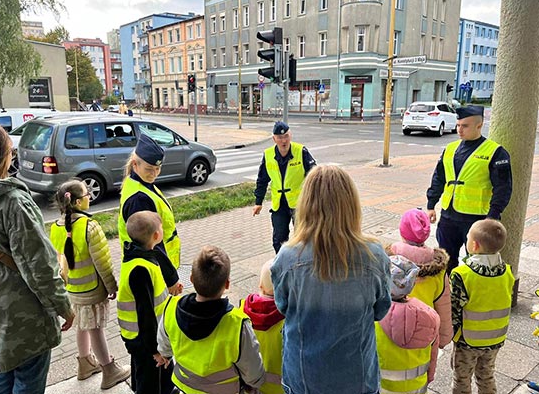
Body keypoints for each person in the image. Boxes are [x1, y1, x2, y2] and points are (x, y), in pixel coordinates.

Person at [0, 124, 74, 394]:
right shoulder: (13, 202)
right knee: (28, 381)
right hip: (22, 317)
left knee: (0, 375)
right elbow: (39, 267)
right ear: (2, 155)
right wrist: (64, 307)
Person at [271, 165, 392, 393]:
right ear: (351, 205)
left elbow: (283, 307)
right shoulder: (374, 256)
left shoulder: (287, 258)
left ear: (305, 205)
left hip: (304, 377)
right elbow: (380, 310)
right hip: (357, 378)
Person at [50, 179, 130, 389]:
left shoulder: (55, 228)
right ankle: (109, 370)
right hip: (93, 290)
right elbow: (102, 263)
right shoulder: (90, 226)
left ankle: (85, 364)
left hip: (73, 290)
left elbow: (59, 260)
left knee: (83, 326)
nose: (89, 197)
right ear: (76, 202)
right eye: (86, 195)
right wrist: (112, 287)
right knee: (96, 329)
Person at [156, 245, 265, 393]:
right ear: (227, 284)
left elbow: (163, 346)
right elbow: (253, 372)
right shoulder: (237, 324)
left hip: (186, 389)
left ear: (191, 279)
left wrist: (166, 355)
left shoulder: (171, 307)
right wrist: (255, 384)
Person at [426, 105, 512, 272]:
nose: (459, 130)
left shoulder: (496, 152)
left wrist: (492, 216)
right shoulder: (450, 149)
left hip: (476, 219)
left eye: (465, 126)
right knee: (445, 261)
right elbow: (439, 178)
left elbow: (503, 188)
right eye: (458, 125)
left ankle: (471, 295)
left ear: (479, 125)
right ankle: (447, 294)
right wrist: (431, 205)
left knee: (476, 264)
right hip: (448, 217)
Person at [450, 219, 514, 394]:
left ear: (474, 245)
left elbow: (454, 310)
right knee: (486, 376)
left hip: (468, 340)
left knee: (462, 379)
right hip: (495, 338)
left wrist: (450, 333)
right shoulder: (508, 271)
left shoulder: (462, 274)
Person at [118, 133, 183, 294]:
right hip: (153, 268)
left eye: (158, 168)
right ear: (135, 164)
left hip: (154, 266)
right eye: (149, 169)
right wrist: (171, 279)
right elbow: (151, 244)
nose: (154, 173)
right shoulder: (139, 198)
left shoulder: (142, 183)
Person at [118, 211, 174, 394]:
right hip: (144, 339)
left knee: (152, 372)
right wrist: (155, 350)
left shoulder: (140, 255)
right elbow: (145, 313)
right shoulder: (140, 270)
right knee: (148, 380)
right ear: (156, 235)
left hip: (148, 336)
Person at [390, 209, 454, 352]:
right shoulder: (438, 271)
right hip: (425, 333)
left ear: (402, 233)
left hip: (389, 329)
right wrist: (443, 338)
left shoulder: (388, 261)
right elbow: (443, 305)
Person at [375, 255, 440, 393]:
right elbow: (433, 352)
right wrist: (430, 376)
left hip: (384, 387)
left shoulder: (374, 316)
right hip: (417, 387)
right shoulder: (430, 315)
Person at [253, 121, 316, 253]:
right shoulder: (268, 155)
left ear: (290, 135)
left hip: (299, 204)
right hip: (279, 205)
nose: (284, 140)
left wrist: (315, 199)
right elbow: (262, 179)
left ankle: (303, 264)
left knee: (303, 237)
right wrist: (258, 202)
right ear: (274, 139)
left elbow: (314, 175)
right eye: (280, 137)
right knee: (279, 239)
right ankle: (282, 264)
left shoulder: (301, 151)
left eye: (286, 136)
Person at [240, 259, 285, 394]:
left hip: (251, 387)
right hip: (281, 389)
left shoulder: (241, 312)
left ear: (260, 285)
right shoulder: (289, 319)